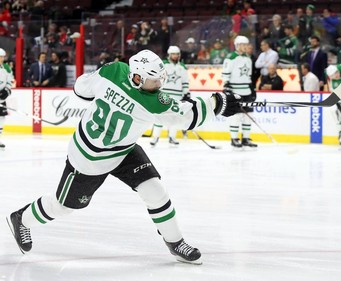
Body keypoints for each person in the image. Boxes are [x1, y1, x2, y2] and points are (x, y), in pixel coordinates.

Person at [6, 49, 241, 264]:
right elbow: (186, 118)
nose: (159, 84)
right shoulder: (152, 102)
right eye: (153, 80)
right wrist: (217, 103)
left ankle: (175, 242)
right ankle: (21, 219)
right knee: (63, 207)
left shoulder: (114, 70)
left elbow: (80, 88)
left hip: (124, 149)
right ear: (137, 77)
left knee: (155, 191)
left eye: (161, 78)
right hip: (89, 159)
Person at [150, 46, 190, 146]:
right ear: (169, 54)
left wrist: (186, 93)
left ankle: (172, 137)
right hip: (164, 95)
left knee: (175, 117)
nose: (175, 56)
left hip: (177, 96)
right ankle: (155, 137)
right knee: (159, 116)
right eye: (173, 54)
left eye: (177, 54)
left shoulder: (182, 67)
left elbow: (185, 82)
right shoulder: (163, 64)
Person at [222, 35, 257, 148]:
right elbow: (225, 73)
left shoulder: (248, 58)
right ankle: (234, 138)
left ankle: (246, 138)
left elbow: (249, 75)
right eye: (243, 44)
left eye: (246, 44)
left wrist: (252, 88)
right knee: (236, 116)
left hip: (246, 91)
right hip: (235, 91)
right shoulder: (231, 58)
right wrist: (226, 85)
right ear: (237, 45)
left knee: (248, 115)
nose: (246, 46)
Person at [0, 48, 13, 148]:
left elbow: (10, 80)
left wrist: (7, 90)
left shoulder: (6, 68)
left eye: (2, 57)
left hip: (1, 98)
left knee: (1, 118)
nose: (2, 59)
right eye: (0, 57)